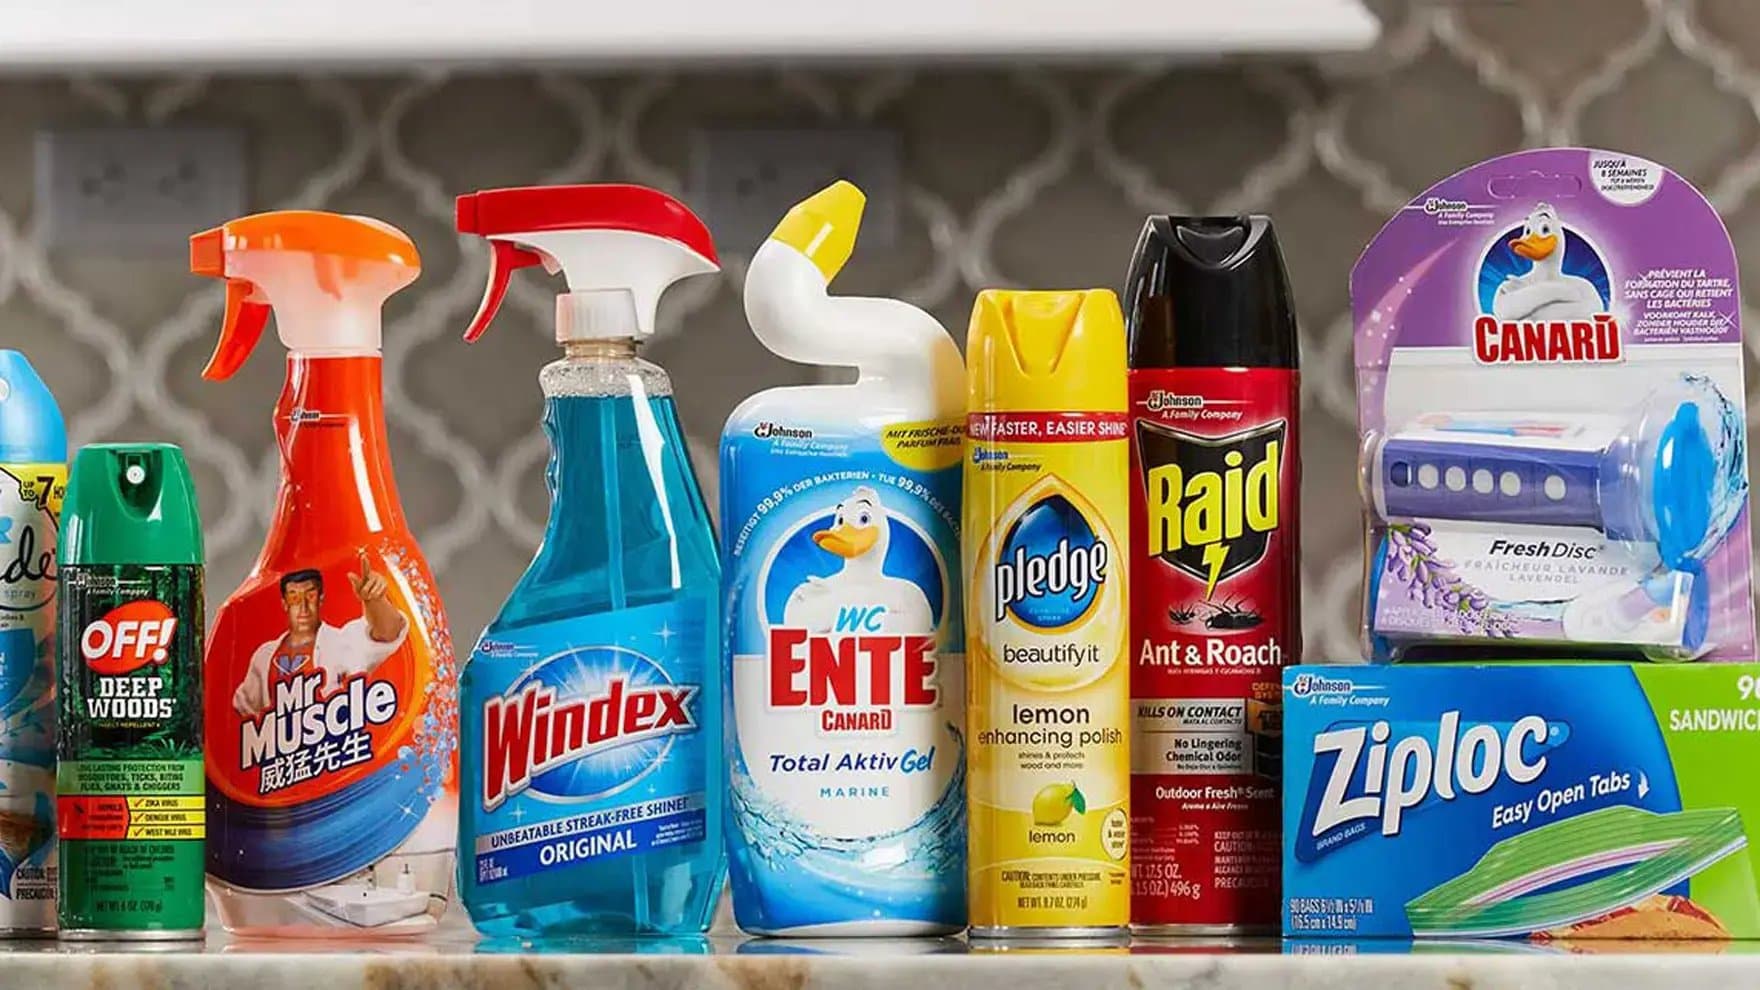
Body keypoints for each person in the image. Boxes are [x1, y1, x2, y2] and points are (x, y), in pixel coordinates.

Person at [232, 549, 409, 716]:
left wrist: (375, 601)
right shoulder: (264, 656)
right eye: (294, 598)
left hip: (338, 746)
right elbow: (241, 711)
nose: (303, 607)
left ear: (321, 599)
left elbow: (388, 633)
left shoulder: (343, 642)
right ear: (285, 604)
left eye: (310, 596)